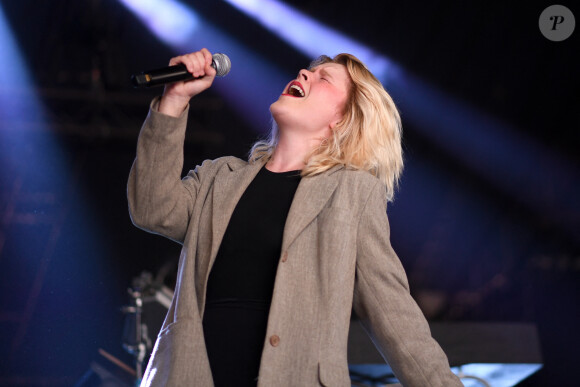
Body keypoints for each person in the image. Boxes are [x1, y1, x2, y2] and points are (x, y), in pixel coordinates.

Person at [128, 48, 462, 386]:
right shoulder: (218, 178)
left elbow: (394, 317)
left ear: (343, 120)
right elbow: (152, 208)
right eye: (308, 71)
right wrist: (174, 100)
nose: (304, 73)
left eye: (323, 78)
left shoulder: (352, 195)